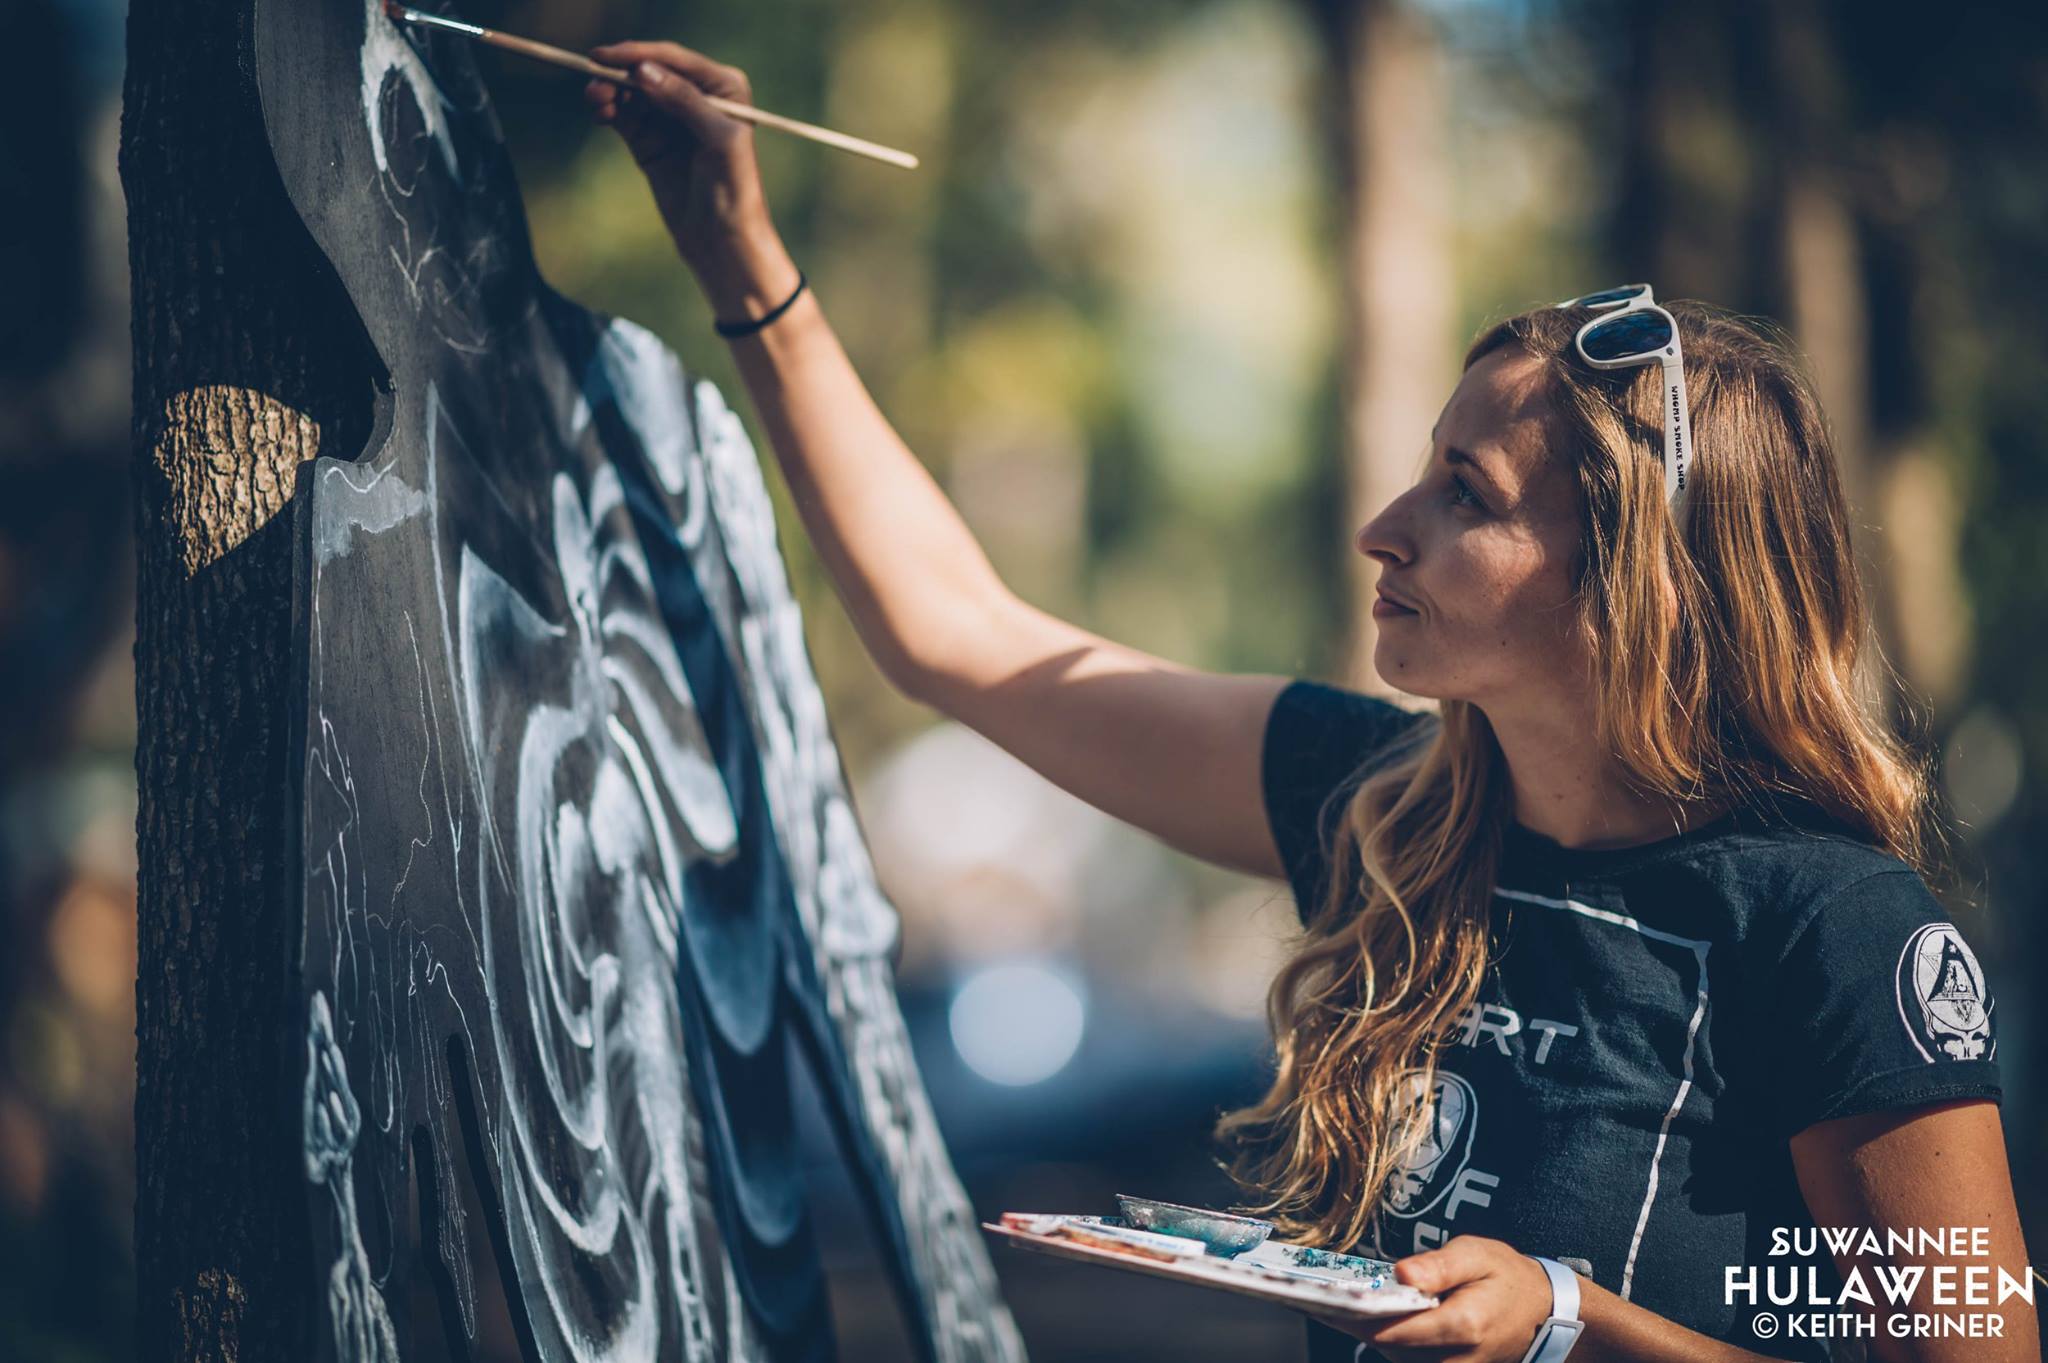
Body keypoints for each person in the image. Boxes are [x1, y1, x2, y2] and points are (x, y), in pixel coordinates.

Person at [581, 42, 2037, 1363]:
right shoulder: (1387, 802)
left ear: (1634, 591)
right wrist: (738, 253)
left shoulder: (1836, 930)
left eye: (1465, 496)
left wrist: (1577, 1329)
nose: (1385, 529)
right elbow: (954, 636)